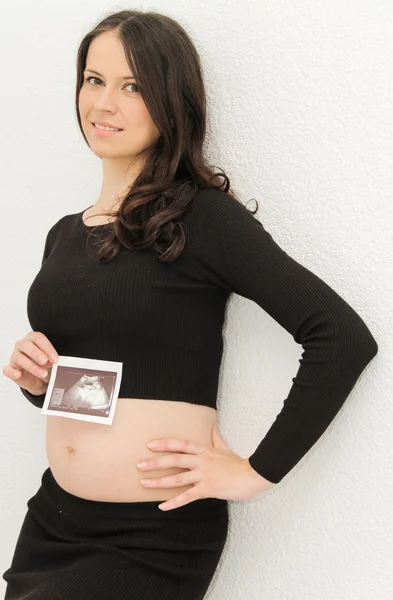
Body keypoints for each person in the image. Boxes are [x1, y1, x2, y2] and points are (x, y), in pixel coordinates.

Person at [2, 9, 378, 600]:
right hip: (53, 521)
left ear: (170, 100)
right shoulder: (63, 235)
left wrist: (258, 471)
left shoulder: (199, 217)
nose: (103, 103)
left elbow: (341, 335)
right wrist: (40, 381)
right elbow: (116, 373)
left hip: (153, 538)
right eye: (93, 79)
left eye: (132, 86)